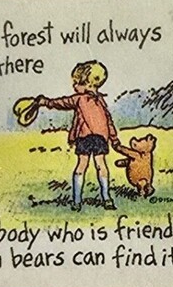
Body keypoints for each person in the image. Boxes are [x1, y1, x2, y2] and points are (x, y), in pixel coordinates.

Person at [34, 60, 120, 211]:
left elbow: (62, 103)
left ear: (87, 83)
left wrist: (45, 102)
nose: (74, 86)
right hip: (95, 137)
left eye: (77, 82)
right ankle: (98, 199)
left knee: (89, 166)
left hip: (89, 137)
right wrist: (113, 138)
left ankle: (84, 200)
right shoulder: (97, 100)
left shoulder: (84, 99)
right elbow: (108, 121)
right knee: (98, 165)